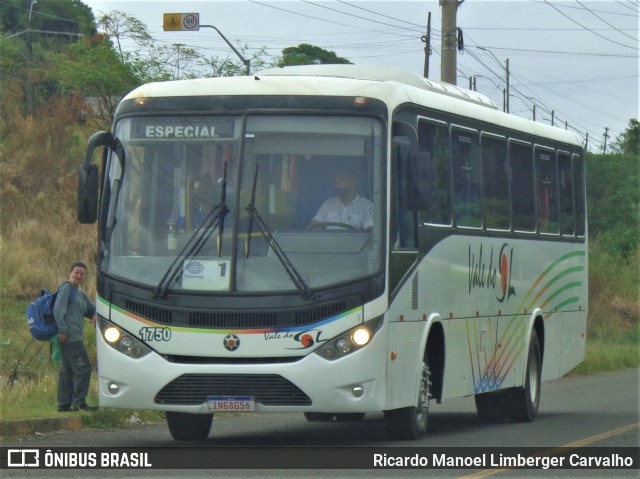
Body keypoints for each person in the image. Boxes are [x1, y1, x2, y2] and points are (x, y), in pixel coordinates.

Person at [53, 262, 98, 412]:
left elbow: (92, 309)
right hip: (70, 336)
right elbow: (58, 310)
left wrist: (95, 315)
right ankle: (79, 402)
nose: (78, 276)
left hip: (75, 335)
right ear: (70, 273)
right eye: (76, 273)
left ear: (85, 276)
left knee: (67, 371)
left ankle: (64, 405)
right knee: (84, 369)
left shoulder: (80, 293)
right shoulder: (66, 288)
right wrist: (62, 331)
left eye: (82, 274)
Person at [308, 171, 373, 230]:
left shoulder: (367, 206)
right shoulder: (328, 204)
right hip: (329, 242)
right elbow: (315, 225)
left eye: (340, 180)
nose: (336, 184)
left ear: (353, 183)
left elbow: (370, 230)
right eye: (335, 181)